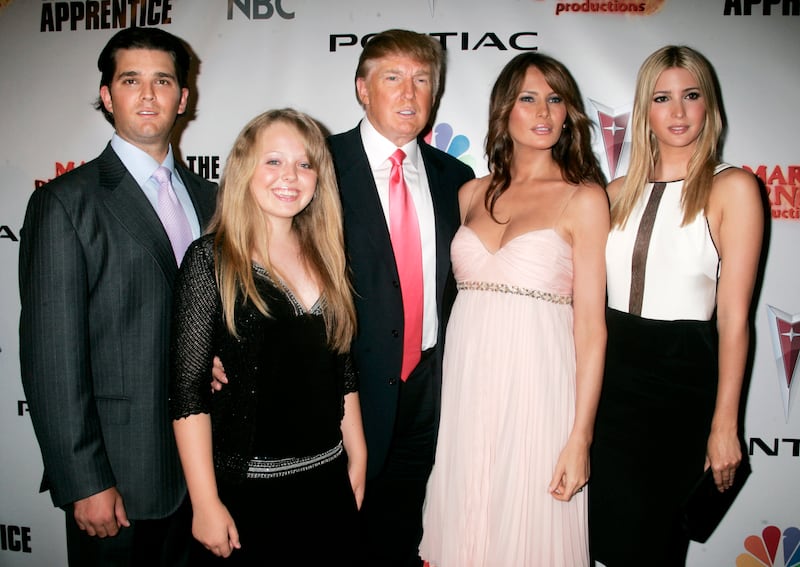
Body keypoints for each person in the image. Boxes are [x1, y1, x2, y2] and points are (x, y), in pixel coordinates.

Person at [18, 27, 217, 566]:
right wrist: (84, 480)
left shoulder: (215, 200)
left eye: (163, 81)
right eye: (131, 81)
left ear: (184, 96)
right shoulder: (66, 204)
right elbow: (51, 359)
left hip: (209, 476)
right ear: (107, 96)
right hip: (120, 481)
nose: (149, 95)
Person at [418, 52, 609, 566]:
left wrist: (580, 437)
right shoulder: (469, 194)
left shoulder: (584, 198)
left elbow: (591, 328)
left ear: (569, 112)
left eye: (555, 98)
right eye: (528, 98)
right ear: (505, 109)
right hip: (468, 388)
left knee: (530, 527)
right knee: (469, 520)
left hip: (541, 388)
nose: (544, 111)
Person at [589, 45, 763, 566]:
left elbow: (734, 320)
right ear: (645, 111)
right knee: (603, 544)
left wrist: (724, 424)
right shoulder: (615, 191)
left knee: (655, 550)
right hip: (609, 383)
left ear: (709, 104)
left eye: (691, 96)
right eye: (663, 98)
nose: (679, 112)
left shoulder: (734, 188)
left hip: (680, 386)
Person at [169, 108, 365, 565]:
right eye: (273, 161)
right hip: (249, 494)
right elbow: (187, 392)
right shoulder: (210, 261)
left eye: (304, 163)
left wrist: (357, 456)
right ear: (244, 169)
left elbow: (343, 368)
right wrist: (204, 502)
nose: (290, 176)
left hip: (328, 481)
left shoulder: (329, 256)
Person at [329, 29, 475, 566]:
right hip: (340, 391)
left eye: (422, 80)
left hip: (428, 391)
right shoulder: (317, 166)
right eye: (392, 78)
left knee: (401, 535)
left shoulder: (456, 179)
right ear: (362, 89)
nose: (409, 94)